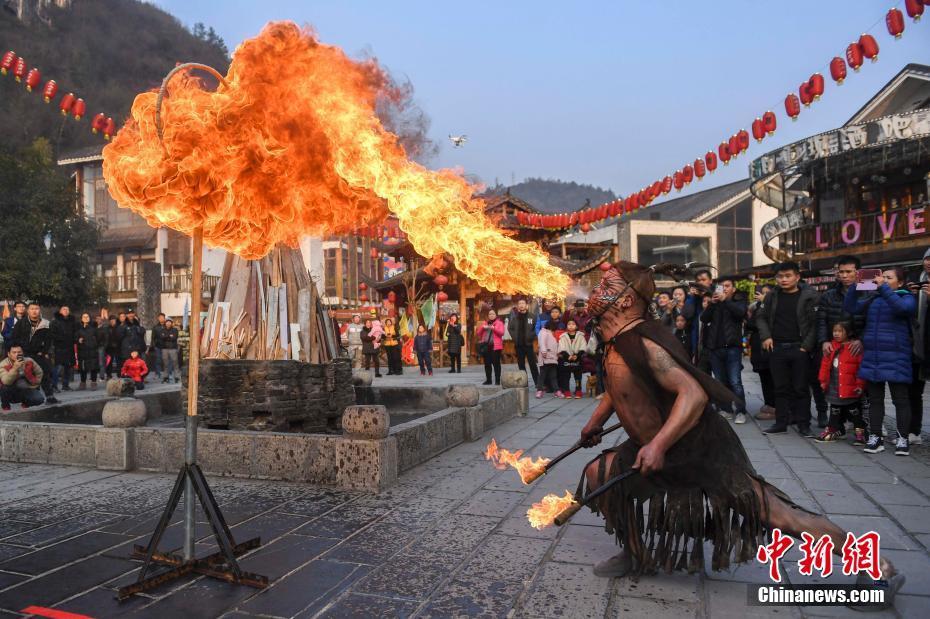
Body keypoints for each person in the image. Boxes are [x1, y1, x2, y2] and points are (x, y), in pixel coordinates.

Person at [577, 261, 849, 580]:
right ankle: (636, 554)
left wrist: (659, 445)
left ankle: (878, 566)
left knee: (775, 514)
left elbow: (693, 394)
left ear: (624, 299)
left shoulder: (646, 344)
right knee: (598, 474)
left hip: (699, 446)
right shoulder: (615, 344)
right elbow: (618, 387)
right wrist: (594, 423)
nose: (594, 291)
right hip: (647, 445)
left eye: (605, 287)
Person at [845, 267, 917, 455]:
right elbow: (851, 308)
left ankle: (903, 438)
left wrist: (884, 288)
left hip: (897, 355)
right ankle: (875, 437)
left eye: (888, 277)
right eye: (881, 276)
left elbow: (903, 309)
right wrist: (854, 287)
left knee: (900, 399)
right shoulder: (874, 297)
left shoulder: (906, 297)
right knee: (875, 400)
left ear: (900, 283)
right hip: (873, 355)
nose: (882, 279)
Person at [757, 262, 819, 437]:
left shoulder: (810, 296)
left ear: (797, 277)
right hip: (777, 348)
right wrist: (766, 336)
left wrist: (806, 346)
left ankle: (804, 424)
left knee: (801, 389)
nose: (783, 280)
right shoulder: (771, 296)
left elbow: (815, 323)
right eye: (780, 277)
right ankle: (780, 423)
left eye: (787, 276)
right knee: (780, 388)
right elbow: (760, 317)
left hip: (799, 349)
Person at [814, 256, 865, 428]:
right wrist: (823, 341)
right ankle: (838, 424)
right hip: (834, 346)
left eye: (848, 271)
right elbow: (821, 320)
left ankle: (862, 422)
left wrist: (861, 340)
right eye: (841, 271)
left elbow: (873, 319)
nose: (844, 275)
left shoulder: (868, 290)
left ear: (857, 272)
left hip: (857, 346)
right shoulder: (829, 294)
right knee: (836, 383)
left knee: (859, 384)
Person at [699, 277, 748, 424]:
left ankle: (740, 411)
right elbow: (703, 318)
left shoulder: (738, 301)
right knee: (720, 382)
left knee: (735, 382)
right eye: (721, 286)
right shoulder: (715, 304)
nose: (724, 289)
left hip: (732, 348)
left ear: (733, 288)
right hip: (715, 349)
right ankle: (726, 409)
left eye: (727, 286)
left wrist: (726, 301)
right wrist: (712, 304)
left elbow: (740, 313)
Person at [816, 322, 867, 445]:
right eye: (835, 331)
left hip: (849, 387)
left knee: (854, 411)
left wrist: (860, 385)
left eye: (840, 331)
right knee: (834, 409)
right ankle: (832, 429)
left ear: (848, 333)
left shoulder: (853, 348)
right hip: (834, 386)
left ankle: (860, 432)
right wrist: (823, 381)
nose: (836, 334)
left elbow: (860, 368)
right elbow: (825, 364)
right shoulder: (831, 347)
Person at [10, 302, 57, 404]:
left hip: (38, 354)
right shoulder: (21, 323)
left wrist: (44, 351)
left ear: (39, 310)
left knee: (44, 374)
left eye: (36, 308)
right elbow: (14, 338)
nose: (34, 311)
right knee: (23, 376)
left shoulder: (45, 323)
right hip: (24, 354)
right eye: (32, 309)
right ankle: (28, 397)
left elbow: (49, 340)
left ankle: (50, 396)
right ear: (28, 310)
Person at [907, 247, 930, 445]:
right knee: (914, 391)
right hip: (916, 346)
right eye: (927, 259)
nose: (929, 262)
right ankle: (913, 429)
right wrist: (909, 293)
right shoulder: (914, 277)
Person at [747, 284, 776, 420]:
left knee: (773, 379)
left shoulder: (773, 307)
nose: (762, 295)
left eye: (766, 293)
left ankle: (775, 407)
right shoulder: (757, 307)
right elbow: (750, 324)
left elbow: (758, 323)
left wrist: (764, 302)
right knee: (764, 379)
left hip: (770, 350)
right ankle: (769, 405)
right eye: (761, 293)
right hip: (759, 350)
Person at [0, 345, 45, 410]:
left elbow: (39, 372)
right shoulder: (3, 364)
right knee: (5, 387)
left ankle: (26, 402)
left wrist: (35, 383)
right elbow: (6, 381)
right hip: (10, 390)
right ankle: (6, 406)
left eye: (19, 352)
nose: (17, 354)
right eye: (14, 352)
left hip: (25, 387)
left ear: (23, 353)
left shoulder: (29, 361)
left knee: (39, 399)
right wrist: (15, 368)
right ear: (9, 354)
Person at [507, 299, 538, 388]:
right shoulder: (515, 318)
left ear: (526, 305)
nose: (521, 305)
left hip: (528, 344)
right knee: (521, 365)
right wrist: (515, 338)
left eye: (523, 303)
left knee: (533, 364)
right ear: (518, 306)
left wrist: (531, 336)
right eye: (519, 303)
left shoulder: (532, 316)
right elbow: (510, 328)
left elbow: (536, 328)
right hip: (519, 345)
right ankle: (524, 383)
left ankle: (537, 383)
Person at [557, 319, 587, 398]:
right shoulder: (563, 336)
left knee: (578, 377)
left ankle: (578, 390)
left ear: (576, 326)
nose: (571, 326)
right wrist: (567, 356)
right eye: (569, 324)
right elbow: (561, 348)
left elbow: (583, 347)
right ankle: (566, 390)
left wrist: (577, 355)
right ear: (566, 326)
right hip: (566, 359)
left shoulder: (580, 336)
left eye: (573, 324)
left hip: (577, 359)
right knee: (566, 377)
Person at [50, 305, 77, 391]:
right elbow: (51, 334)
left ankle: (65, 385)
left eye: (67, 309)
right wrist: (60, 339)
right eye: (64, 309)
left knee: (68, 367)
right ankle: (54, 385)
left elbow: (76, 333)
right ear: (60, 311)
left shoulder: (72, 322)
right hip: (58, 347)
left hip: (69, 347)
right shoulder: (55, 321)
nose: (66, 311)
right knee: (57, 367)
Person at [476, 309, 505, 385]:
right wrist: (483, 327)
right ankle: (488, 380)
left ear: (496, 315)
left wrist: (493, 328)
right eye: (489, 314)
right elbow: (478, 333)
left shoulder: (499, 323)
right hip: (486, 346)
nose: (491, 315)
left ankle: (497, 380)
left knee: (496, 364)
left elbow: (502, 333)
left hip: (495, 347)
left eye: (493, 314)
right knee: (487, 364)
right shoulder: (485, 323)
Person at [75, 313, 100, 390]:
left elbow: (99, 339)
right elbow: (75, 338)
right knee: (83, 368)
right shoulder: (79, 329)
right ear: (81, 319)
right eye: (84, 317)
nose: (86, 318)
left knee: (93, 368)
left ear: (90, 318)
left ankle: (93, 383)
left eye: (87, 317)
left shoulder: (94, 328)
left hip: (92, 351)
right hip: (82, 351)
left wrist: (95, 344)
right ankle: (83, 383)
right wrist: (78, 340)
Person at [536, 320, 560, 397]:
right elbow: (542, 343)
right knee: (542, 376)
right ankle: (539, 390)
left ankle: (556, 390)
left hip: (552, 359)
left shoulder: (551, 334)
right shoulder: (543, 333)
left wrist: (557, 354)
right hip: (545, 359)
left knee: (553, 376)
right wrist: (544, 352)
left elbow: (554, 346)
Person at [158, 319, 180, 383]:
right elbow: (161, 338)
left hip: (173, 348)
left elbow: (174, 337)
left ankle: (177, 377)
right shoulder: (162, 330)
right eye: (167, 322)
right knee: (165, 364)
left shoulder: (175, 330)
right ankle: (165, 377)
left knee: (175, 363)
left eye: (169, 322)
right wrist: (169, 336)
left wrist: (166, 336)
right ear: (165, 323)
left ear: (171, 323)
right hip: (164, 348)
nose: (168, 324)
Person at [151, 313, 167, 380]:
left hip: (166, 346)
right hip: (158, 346)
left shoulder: (167, 325)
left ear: (164, 318)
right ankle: (158, 373)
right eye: (160, 317)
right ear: (158, 318)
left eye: (162, 317)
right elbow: (153, 337)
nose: (161, 319)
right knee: (158, 360)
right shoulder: (155, 327)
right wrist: (154, 345)